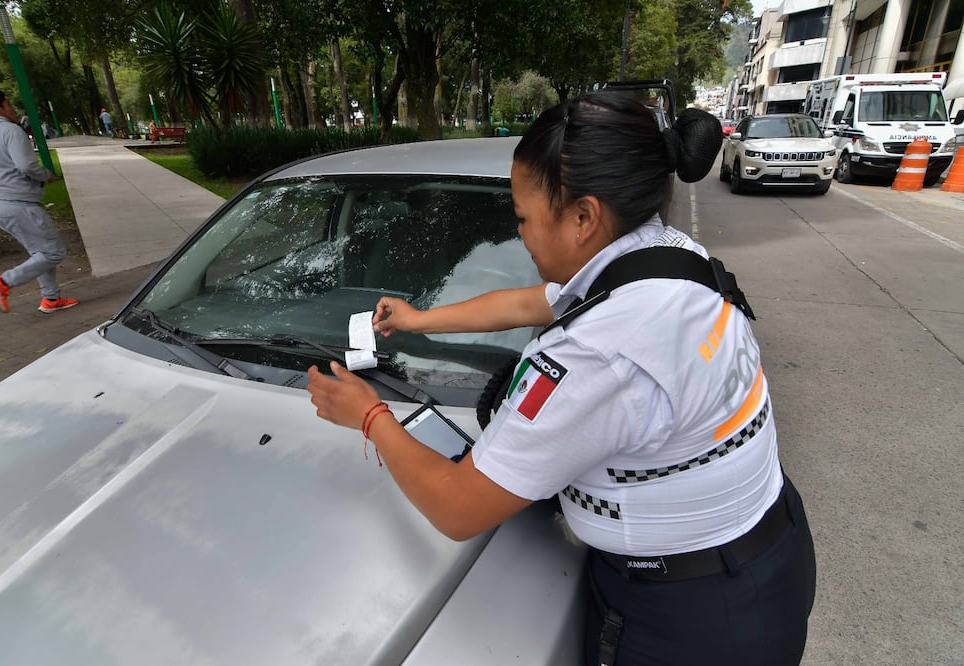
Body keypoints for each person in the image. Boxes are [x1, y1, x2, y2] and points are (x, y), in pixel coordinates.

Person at [306, 92, 816, 665]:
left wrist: (370, 416)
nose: (518, 231)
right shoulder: (657, 254)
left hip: (693, 620)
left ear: (583, 218)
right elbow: (533, 302)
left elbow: (457, 508)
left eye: (523, 217)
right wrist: (422, 319)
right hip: (762, 552)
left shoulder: (603, 354)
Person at [0, 86, 78, 314]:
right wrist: (45, 175)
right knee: (53, 253)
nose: (13, 109)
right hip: (17, 203)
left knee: (40, 251)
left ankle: (51, 299)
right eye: (9, 104)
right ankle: (2, 283)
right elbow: (26, 165)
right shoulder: (9, 130)